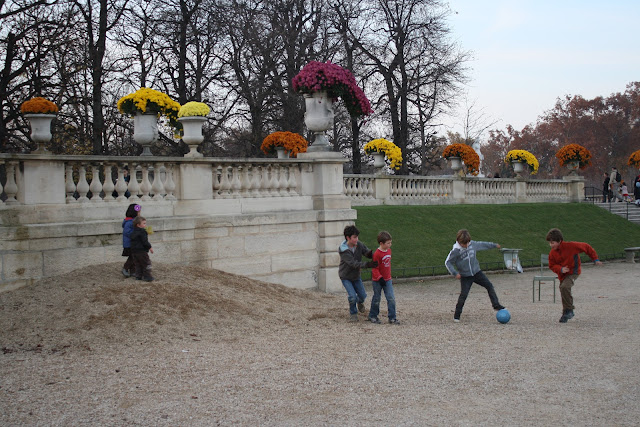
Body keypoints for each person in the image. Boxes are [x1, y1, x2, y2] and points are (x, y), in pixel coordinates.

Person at [445, 229, 505, 322]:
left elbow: (483, 244)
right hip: (465, 276)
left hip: (477, 272)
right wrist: (455, 273)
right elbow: (448, 262)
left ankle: (496, 305)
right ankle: (457, 315)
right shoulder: (456, 251)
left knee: (489, 286)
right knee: (464, 295)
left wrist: (494, 245)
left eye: (467, 243)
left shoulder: (472, 244)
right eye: (463, 244)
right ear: (459, 242)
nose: (466, 245)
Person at [546, 228, 602, 323]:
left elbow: (586, 247)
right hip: (563, 274)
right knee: (563, 289)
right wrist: (560, 269)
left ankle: (569, 310)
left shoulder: (571, 246)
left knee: (565, 287)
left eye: (552, 243)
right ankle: (566, 312)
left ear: (559, 241)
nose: (551, 245)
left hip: (573, 272)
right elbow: (552, 265)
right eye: (550, 243)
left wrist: (595, 259)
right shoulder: (552, 253)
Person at [338, 225, 377, 322]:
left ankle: (360, 302)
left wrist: (371, 255)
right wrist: (368, 264)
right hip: (346, 276)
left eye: (357, 237)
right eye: (354, 237)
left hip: (356, 276)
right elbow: (353, 263)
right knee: (352, 297)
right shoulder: (343, 250)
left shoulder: (359, 244)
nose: (357, 239)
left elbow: (366, 251)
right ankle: (353, 314)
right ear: (348, 238)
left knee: (363, 295)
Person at [368, 231, 398, 324]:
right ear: (381, 243)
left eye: (390, 242)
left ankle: (392, 317)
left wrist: (387, 276)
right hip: (378, 280)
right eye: (388, 243)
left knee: (391, 298)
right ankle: (373, 315)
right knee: (377, 298)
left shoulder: (389, 250)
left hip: (387, 279)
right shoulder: (377, 254)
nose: (390, 245)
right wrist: (380, 278)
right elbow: (375, 268)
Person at [130, 215, 154, 282]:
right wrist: (150, 247)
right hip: (141, 251)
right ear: (138, 225)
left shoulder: (133, 232)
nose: (145, 225)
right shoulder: (142, 232)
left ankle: (138, 276)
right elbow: (145, 242)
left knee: (137, 264)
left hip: (134, 251)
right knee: (146, 263)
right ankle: (147, 276)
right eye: (144, 223)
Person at [121, 203, 140, 277]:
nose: (139, 213)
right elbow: (127, 232)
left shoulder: (133, 221)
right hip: (129, 243)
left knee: (134, 257)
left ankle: (133, 271)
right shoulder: (129, 222)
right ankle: (125, 268)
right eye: (138, 212)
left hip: (133, 243)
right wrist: (136, 234)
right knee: (133, 256)